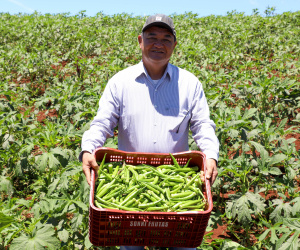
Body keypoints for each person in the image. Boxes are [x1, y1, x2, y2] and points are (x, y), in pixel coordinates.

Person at [80, 14, 219, 250]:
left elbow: (203, 124)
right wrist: (87, 149)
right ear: (140, 41)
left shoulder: (189, 83)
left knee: (182, 245)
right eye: (151, 37)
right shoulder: (120, 82)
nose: (158, 44)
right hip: (129, 175)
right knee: (130, 245)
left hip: (177, 177)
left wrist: (211, 154)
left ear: (175, 45)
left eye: (166, 38)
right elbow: (102, 122)